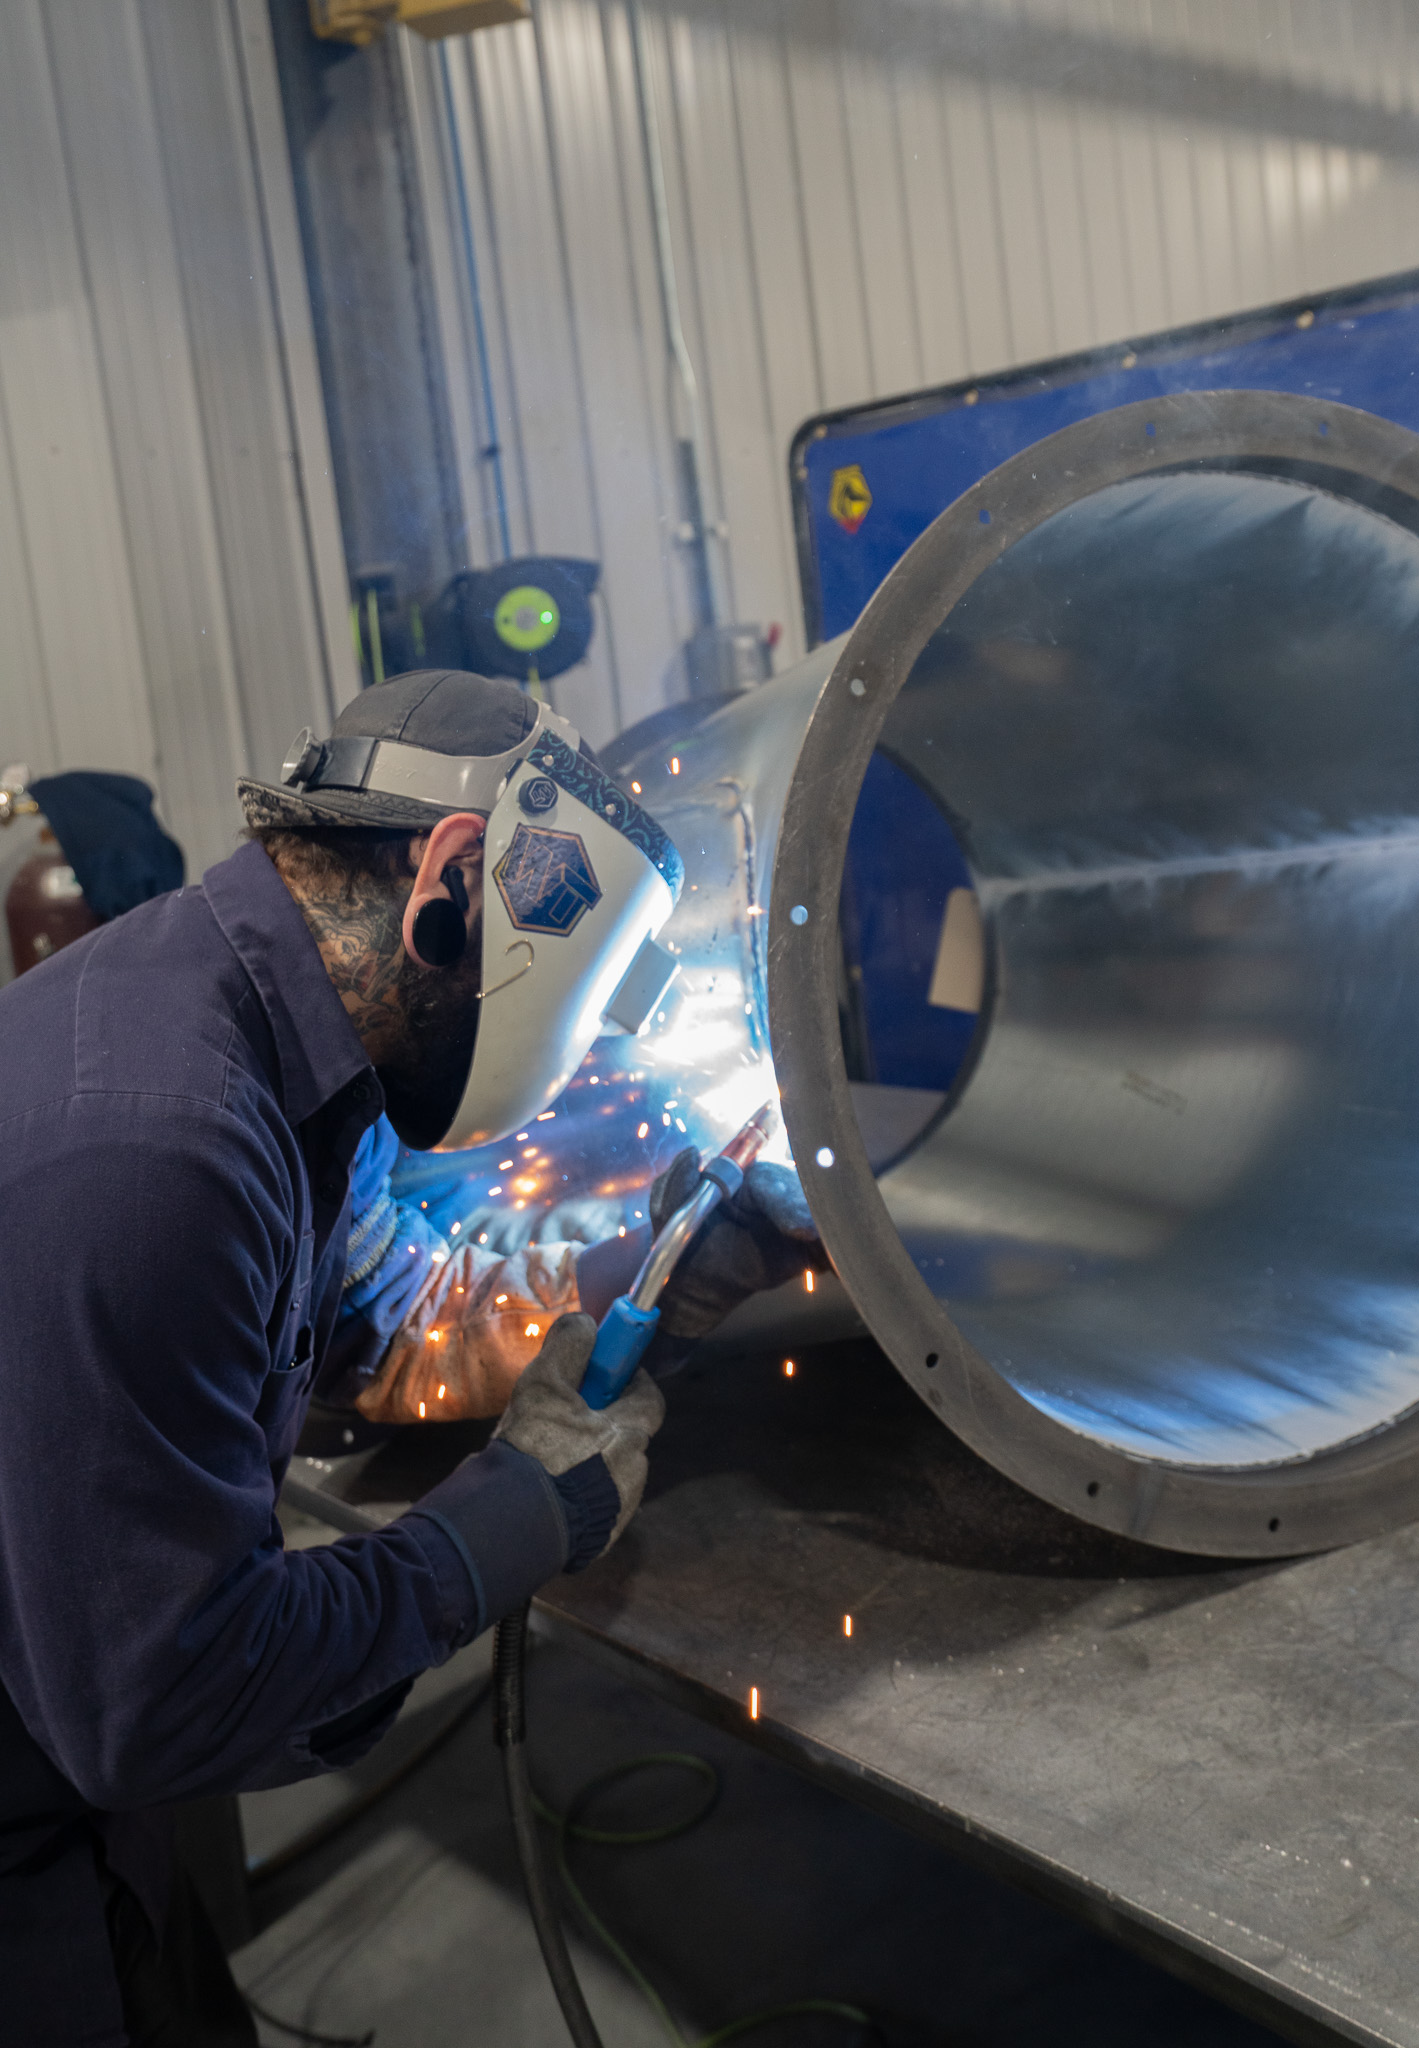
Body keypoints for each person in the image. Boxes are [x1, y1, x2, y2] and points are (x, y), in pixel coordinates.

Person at [0, 670, 822, 2047]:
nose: (570, 1072)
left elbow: (398, 1317)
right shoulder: (161, 1150)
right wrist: (513, 1521)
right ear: (455, 875)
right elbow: (166, 1703)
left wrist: (671, 1263)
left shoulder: (269, 1033)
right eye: (585, 990)